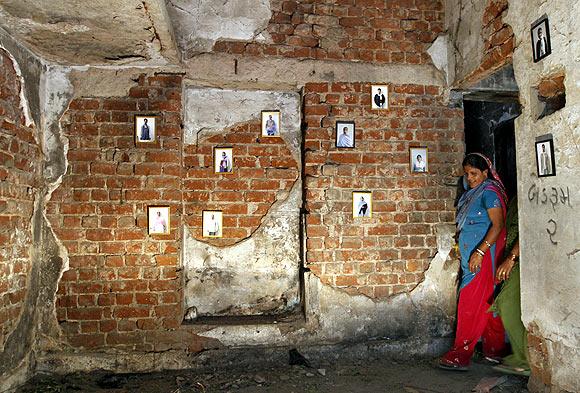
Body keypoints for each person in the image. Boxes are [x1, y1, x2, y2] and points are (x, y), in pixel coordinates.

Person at [439, 153, 508, 371]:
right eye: (467, 174)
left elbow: (497, 225)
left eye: (474, 173)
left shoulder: (489, 193)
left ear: (486, 173)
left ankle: (460, 354)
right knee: (486, 300)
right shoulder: (472, 194)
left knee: (470, 299)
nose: (470, 178)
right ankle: (494, 350)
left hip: (483, 256)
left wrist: (479, 251)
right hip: (472, 256)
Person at [490, 197, 530, 376]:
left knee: (506, 303)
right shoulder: (515, 197)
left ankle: (524, 360)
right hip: (513, 258)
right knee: (509, 304)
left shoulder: (529, 194)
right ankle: (521, 357)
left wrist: (511, 259)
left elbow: (529, 228)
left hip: (521, 260)